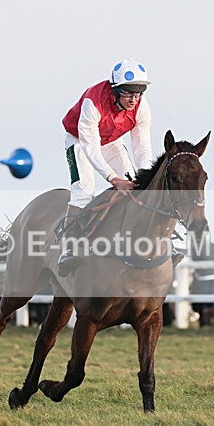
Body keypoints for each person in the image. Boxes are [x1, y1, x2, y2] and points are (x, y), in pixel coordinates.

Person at [57, 59, 154, 275]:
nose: (134, 99)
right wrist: (113, 178)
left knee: (135, 185)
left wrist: (146, 178)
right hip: (80, 141)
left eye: (138, 93)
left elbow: (142, 148)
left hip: (110, 141)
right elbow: (90, 147)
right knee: (85, 189)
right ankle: (68, 248)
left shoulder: (141, 107)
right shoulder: (93, 101)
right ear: (115, 91)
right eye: (128, 93)